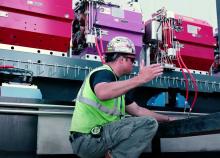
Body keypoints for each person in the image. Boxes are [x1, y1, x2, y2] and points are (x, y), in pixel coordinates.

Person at [69, 36, 175, 158]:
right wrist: (141, 79)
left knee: (148, 122)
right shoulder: (103, 73)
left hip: (93, 139)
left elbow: (138, 111)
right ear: (121, 59)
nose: (133, 63)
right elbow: (102, 92)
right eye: (132, 59)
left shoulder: (117, 89)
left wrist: (168, 119)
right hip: (89, 139)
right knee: (149, 124)